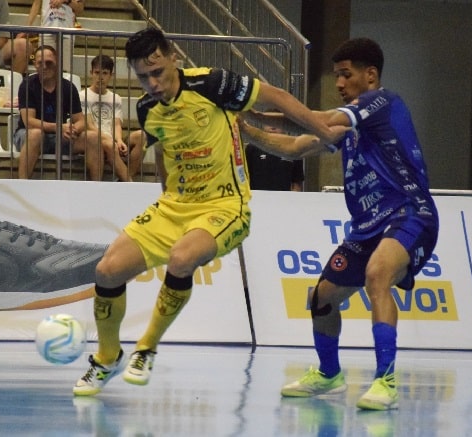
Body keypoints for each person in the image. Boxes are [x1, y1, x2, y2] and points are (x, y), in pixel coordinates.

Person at [72, 27, 342, 397]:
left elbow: (276, 96)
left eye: (158, 73)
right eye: (142, 77)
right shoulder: (147, 109)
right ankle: (106, 357)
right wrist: (166, 196)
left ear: (174, 59)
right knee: (106, 271)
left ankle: (146, 347)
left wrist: (325, 132)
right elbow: (165, 150)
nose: (152, 84)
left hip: (225, 205)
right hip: (174, 206)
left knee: (182, 259)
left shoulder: (213, 85)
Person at [239, 37, 439, 411]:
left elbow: (322, 119)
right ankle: (329, 374)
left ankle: (386, 381)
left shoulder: (383, 101)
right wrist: (245, 126)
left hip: (409, 212)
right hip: (367, 227)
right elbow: (296, 145)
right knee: (322, 297)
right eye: (337, 77)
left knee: (378, 275)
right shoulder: (348, 127)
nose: (339, 84)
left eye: (346, 75)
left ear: (371, 75)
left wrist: (256, 102)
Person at [15, 45, 130, 181]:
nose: (45, 66)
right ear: (35, 64)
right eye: (40, 63)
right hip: (28, 136)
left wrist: (73, 130)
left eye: (49, 62)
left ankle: (95, 188)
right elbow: (29, 121)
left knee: (93, 137)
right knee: (36, 133)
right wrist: (58, 127)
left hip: (61, 137)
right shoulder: (27, 85)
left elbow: (80, 120)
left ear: (57, 62)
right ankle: (22, 185)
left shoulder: (68, 87)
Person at [81, 54, 144, 180]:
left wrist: (119, 140)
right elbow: (89, 126)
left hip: (112, 140)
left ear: (111, 75)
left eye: (104, 73)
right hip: (93, 140)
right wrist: (110, 140)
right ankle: (130, 184)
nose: (100, 77)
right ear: (91, 73)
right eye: (97, 72)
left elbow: (116, 124)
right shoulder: (82, 96)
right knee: (108, 144)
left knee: (142, 136)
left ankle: (123, 180)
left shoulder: (116, 98)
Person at [244, 114, 304, 191]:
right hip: (257, 197)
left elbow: (297, 182)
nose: (273, 127)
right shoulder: (252, 148)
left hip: (284, 199)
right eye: (268, 122)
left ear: (284, 125)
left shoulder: (294, 149)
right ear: (263, 124)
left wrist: (294, 199)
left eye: (276, 123)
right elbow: (244, 178)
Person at [26, 0, 83, 72]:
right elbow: (36, 4)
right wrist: (27, 27)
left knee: (64, 71)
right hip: (46, 31)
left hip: (66, 33)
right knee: (44, 68)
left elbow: (80, 8)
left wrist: (65, 1)